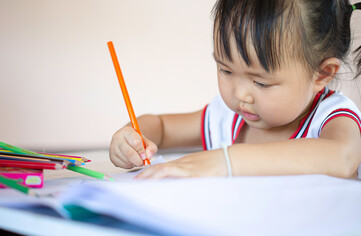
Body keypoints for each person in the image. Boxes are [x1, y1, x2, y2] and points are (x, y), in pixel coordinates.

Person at [110, 0, 361, 179]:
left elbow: (343, 156)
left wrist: (226, 161)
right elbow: (162, 129)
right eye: (226, 70)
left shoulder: (331, 117)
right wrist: (132, 137)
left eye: (261, 82)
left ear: (322, 74)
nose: (239, 94)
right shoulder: (227, 118)